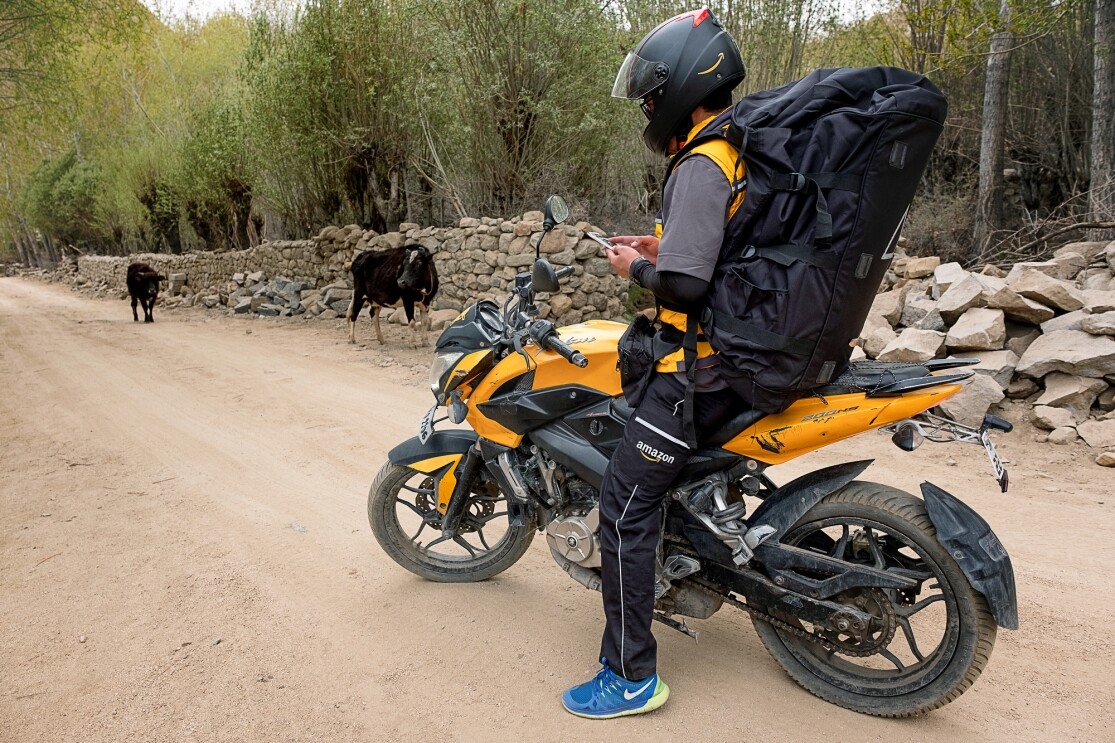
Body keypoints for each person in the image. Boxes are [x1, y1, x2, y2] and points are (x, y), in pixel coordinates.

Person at [561, 8, 749, 719]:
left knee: (622, 509)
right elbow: (714, 249)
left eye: (650, 92)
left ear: (684, 84)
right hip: (720, 355)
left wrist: (633, 272)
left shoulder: (701, 164)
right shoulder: (726, 150)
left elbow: (689, 285)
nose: (645, 106)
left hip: (693, 373)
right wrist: (654, 242)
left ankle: (630, 674)